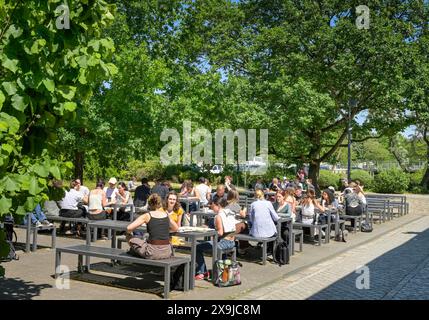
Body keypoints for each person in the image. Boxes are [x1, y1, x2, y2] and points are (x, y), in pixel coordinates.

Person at [126, 194, 179, 260]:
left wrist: (129, 233)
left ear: (149, 204)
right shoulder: (166, 215)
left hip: (153, 252)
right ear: (160, 203)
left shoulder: (147, 215)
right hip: (167, 251)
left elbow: (129, 228)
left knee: (130, 238)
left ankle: (133, 253)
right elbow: (176, 228)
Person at [195, 197, 236, 280]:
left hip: (223, 242)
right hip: (232, 241)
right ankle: (223, 271)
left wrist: (208, 231)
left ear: (218, 205)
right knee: (214, 245)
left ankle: (202, 272)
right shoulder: (230, 212)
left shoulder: (218, 216)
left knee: (197, 248)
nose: (211, 207)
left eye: (213, 205)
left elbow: (220, 232)